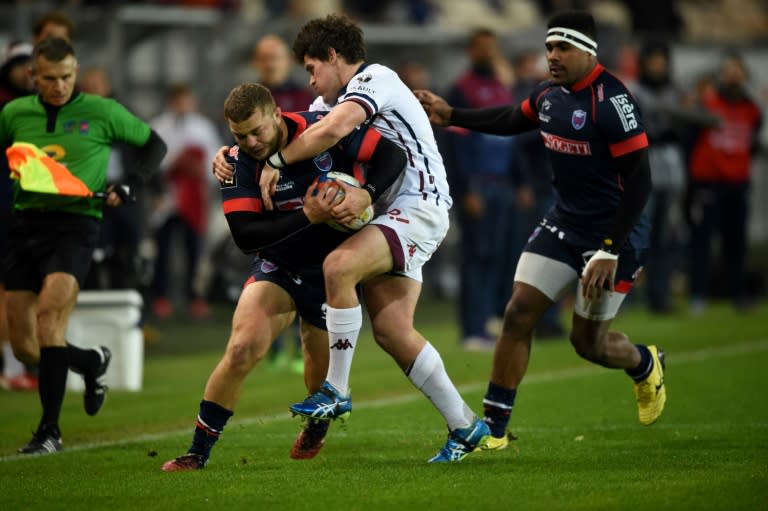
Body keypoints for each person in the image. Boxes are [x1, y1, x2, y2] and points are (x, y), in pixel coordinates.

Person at [213, 14, 491, 463]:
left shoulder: (375, 78)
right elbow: (294, 125)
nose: (310, 78)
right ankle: (465, 426)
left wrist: (276, 163)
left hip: (419, 206)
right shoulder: (327, 106)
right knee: (393, 331)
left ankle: (336, 390)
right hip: (390, 216)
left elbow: (330, 132)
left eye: (311, 67)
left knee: (338, 266)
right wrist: (230, 155)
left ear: (333, 57)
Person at [415, 10, 667, 450]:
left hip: (614, 236)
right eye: (549, 46)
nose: (552, 55)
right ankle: (494, 429)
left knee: (588, 344)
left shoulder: (612, 101)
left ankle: (645, 363)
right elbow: (513, 119)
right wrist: (452, 113)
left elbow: (641, 180)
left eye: (563, 47)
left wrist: (609, 248)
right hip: (564, 222)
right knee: (517, 313)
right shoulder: (551, 95)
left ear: (588, 51)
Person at [161, 82, 406, 471]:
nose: (251, 141)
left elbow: (393, 155)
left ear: (276, 114)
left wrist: (368, 195)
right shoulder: (236, 162)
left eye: (257, 130)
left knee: (319, 383)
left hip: (332, 274)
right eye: (240, 135)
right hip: (278, 267)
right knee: (241, 350)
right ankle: (197, 452)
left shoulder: (325, 129)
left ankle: (316, 424)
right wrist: (307, 216)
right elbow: (245, 235)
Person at [0, 37, 167, 454]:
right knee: (23, 346)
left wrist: (129, 185)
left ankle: (49, 432)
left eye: (67, 77)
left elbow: (154, 145)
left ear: (76, 73)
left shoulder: (101, 110)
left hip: (77, 225)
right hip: (24, 226)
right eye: (51, 79)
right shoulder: (13, 114)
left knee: (50, 319)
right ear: (32, 76)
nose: (60, 86)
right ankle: (91, 362)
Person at [628, 41, 719, 314]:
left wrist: (687, 110)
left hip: (673, 170)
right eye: (653, 60)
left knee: (666, 238)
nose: (657, 66)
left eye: (661, 60)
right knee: (637, 235)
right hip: (645, 168)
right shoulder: (636, 92)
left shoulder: (676, 92)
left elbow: (709, 120)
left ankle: (660, 296)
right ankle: (625, 297)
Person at [444, 28, 518, 350]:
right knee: (476, 256)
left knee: (498, 256)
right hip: (477, 185)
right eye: (481, 48)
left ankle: (488, 321)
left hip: (502, 184)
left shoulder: (503, 88)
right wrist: (464, 190)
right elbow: (455, 144)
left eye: (491, 47)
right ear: (471, 52)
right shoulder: (461, 90)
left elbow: (512, 137)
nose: (487, 53)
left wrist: (521, 181)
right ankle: (471, 329)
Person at [251, 33, 315, 373]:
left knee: (302, 265)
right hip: (263, 193)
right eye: (264, 56)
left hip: (300, 188)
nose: (270, 62)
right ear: (256, 62)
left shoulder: (305, 95)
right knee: (272, 263)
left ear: (285, 60)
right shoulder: (250, 97)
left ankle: (296, 344)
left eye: (275, 55)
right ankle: (273, 344)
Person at [686, 53, 763, 313]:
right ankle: (698, 295)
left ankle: (739, 294)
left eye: (737, 70)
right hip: (708, 182)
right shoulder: (707, 104)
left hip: (738, 182)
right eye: (729, 70)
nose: (733, 75)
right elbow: (691, 139)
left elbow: (751, 143)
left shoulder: (752, 109)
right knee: (703, 241)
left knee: (737, 242)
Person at [149, 84, 222, 319]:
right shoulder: (159, 126)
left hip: (195, 200)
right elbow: (150, 162)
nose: (183, 106)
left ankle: (195, 298)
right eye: (178, 101)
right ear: (171, 101)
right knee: (163, 250)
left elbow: (216, 159)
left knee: (194, 250)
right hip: (167, 198)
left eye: (186, 101)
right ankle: (161, 297)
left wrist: (202, 170)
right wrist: (176, 162)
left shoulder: (203, 128)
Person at [0, 41, 38, 391]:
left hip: (33, 211)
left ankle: (25, 367)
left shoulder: (40, 108)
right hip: (7, 207)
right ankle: (14, 368)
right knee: (10, 292)